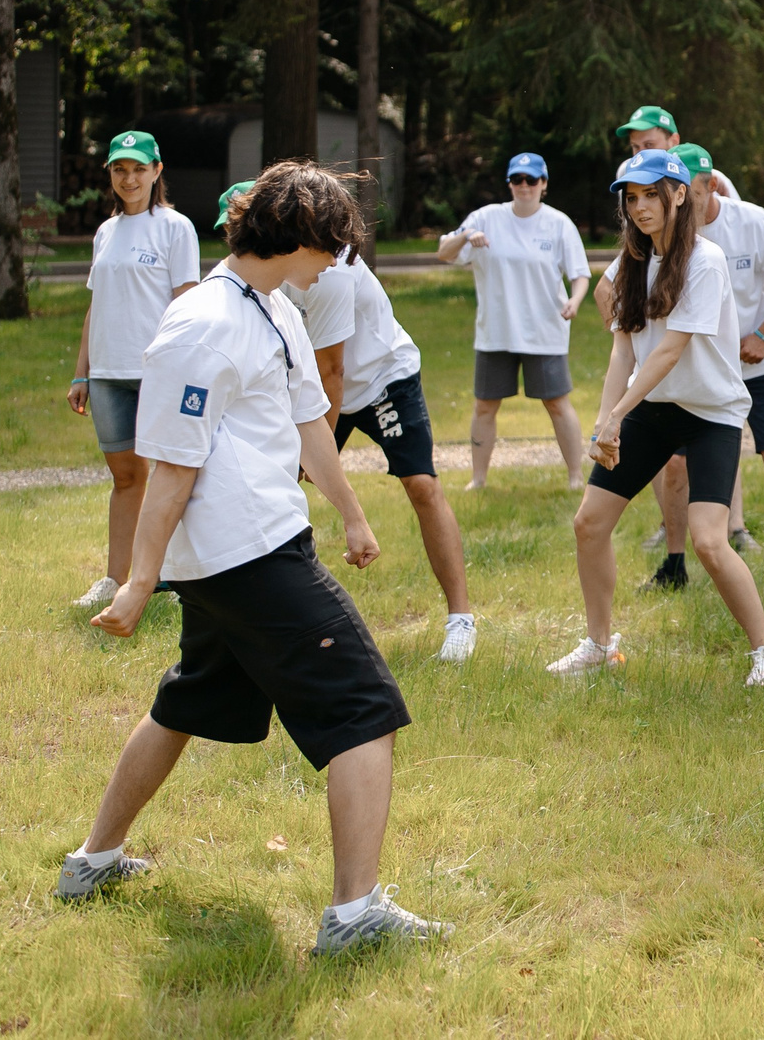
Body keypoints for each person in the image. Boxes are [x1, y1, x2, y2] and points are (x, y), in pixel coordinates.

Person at [58, 161, 447, 955]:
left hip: (251, 547)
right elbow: (169, 466)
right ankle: (354, 914)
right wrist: (138, 580)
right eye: (333, 246)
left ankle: (91, 860)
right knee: (365, 709)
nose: (339, 262)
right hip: (247, 555)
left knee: (188, 700)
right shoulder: (201, 323)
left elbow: (311, 422)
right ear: (299, 236)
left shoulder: (275, 307)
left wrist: (354, 514)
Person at [551, 149, 764, 685]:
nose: (640, 208)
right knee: (589, 523)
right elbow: (625, 351)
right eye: (631, 198)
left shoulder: (705, 261)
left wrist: (615, 416)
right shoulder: (631, 263)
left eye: (651, 195)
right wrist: (603, 424)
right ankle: (599, 645)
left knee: (708, 539)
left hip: (710, 414)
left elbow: (669, 351)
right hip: (651, 410)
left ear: (680, 194)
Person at [285, 245, 477, 662]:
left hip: (381, 379)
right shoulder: (268, 265)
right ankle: (277, 611)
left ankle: (461, 620)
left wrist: (318, 457)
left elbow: (333, 372)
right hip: (319, 384)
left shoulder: (329, 271)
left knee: (421, 485)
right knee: (279, 485)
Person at [651, 142, 764, 600]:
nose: (686, 206)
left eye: (694, 195)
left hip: (760, 362)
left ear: (712, 186)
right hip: (700, 369)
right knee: (677, 465)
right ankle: (673, 564)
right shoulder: (664, 232)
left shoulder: (753, 222)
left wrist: (763, 333)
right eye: (677, 196)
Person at [67, 131, 202, 609]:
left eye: (139, 169)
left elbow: (187, 302)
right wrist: (82, 372)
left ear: (157, 171)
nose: (129, 178)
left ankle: (172, 579)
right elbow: (95, 306)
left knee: (171, 474)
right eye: (120, 169)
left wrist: (181, 365)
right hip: (107, 375)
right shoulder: (105, 232)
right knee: (125, 478)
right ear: (110, 174)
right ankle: (113, 580)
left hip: (157, 372)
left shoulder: (175, 227)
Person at [438, 154, 592, 490]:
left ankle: (576, 477)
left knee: (557, 403)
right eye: (517, 179)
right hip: (496, 331)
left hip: (544, 330)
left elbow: (580, 275)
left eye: (532, 180)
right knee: (484, 406)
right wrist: (466, 237)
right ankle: (477, 479)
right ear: (509, 183)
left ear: (544, 185)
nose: (524, 186)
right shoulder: (485, 218)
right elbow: (445, 253)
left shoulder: (559, 223)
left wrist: (575, 301)